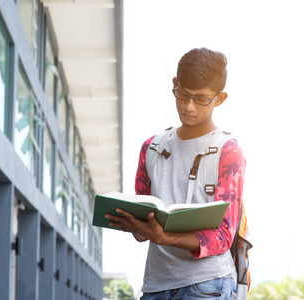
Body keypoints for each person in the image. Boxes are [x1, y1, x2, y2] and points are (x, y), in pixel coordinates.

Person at [105, 47, 246, 299]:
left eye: (201, 98)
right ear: (174, 84)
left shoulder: (228, 152)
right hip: (155, 285)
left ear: (220, 98)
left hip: (207, 286)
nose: (189, 106)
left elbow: (223, 236)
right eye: (182, 94)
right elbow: (143, 220)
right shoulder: (151, 148)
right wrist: (135, 225)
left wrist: (165, 238)